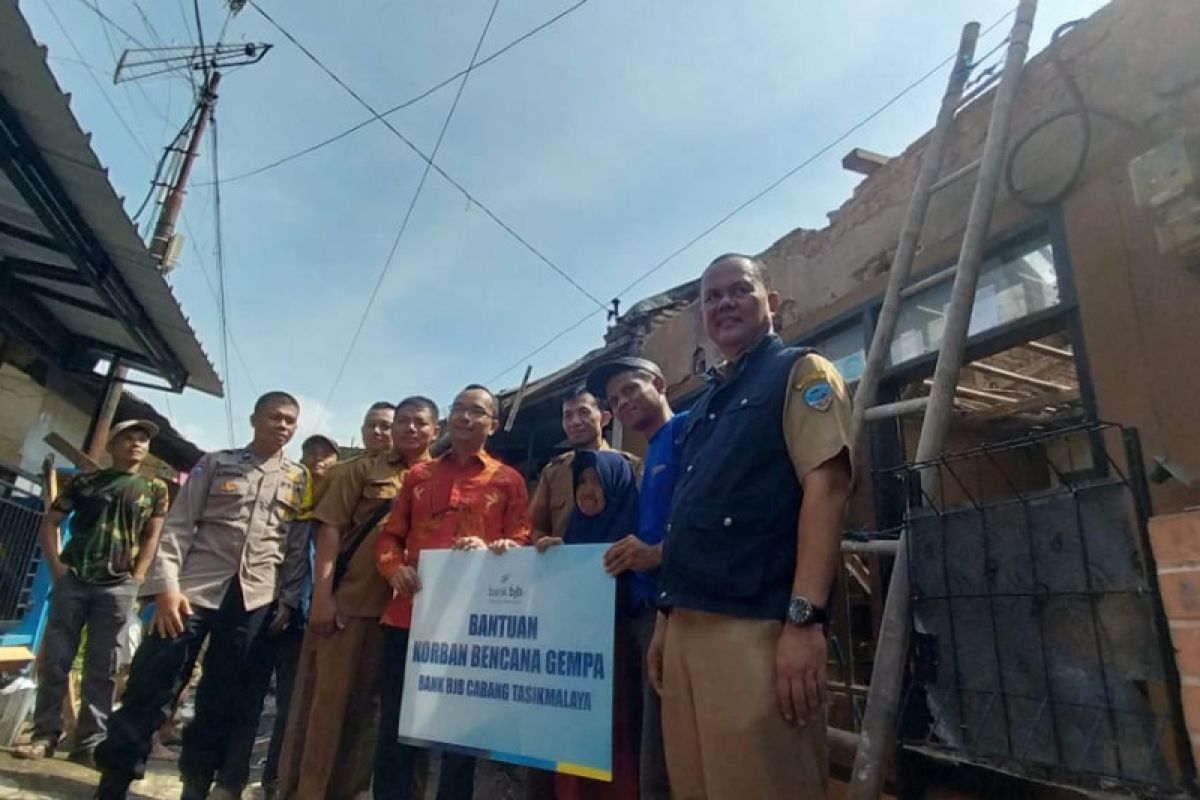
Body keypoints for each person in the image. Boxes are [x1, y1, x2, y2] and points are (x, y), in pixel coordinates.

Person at [647, 253, 854, 799]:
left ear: (772, 303)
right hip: (687, 628)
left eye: (738, 290)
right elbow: (690, 513)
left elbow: (826, 489)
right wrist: (667, 619)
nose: (724, 303)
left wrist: (805, 620)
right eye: (711, 297)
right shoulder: (707, 403)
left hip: (755, 630)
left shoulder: (801, 373)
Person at [93, 392, 309, 800]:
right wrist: (167, 588)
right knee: (151, 687)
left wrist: (288, 599)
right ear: (254, 418)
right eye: (275, 417)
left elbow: (295, 544)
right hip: (192, 592)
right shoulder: (216, 463)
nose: (282, 426)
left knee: (221, 698)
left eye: (290, 421)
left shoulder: (299, 479)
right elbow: (178, 525)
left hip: (254, 599)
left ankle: (196, 783)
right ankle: (114, 781)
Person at [374, 384, 530, 800]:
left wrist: (506, 550)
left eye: (476, 411)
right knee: (397, 726)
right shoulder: (419, 476)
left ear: (492, 425)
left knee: (460, 733)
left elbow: (521, 537)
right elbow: (389, 538)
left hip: (471, 626)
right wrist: (394, 569)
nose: (464, 417)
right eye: (458, 409)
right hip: (409, 616)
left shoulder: (509, 481)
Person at [279, 398, 439, 800]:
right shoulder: (357, 471)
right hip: (354, 607)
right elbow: (329, 532)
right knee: (327, 710)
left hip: (415, 616)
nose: (409, 430)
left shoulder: (441, 477)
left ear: (435, 430)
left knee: (381, 719)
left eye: (419, 423)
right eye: (402, 422)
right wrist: (322, 597)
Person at [15, 420, 168, 767]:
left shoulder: (153, 488)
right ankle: (45, 735)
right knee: (56, 660)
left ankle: (89, 743)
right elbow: (50, 521)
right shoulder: (85, 482)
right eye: (128, 438)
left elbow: (152, 536)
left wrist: (138, 577)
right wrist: (57, 567)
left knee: (105, 666)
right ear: (112, 445)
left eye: (142, 440)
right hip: (76, 579)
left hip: (117, 585)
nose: (136, 444)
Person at [219, 434, 341, 799]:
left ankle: (274, 780)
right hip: (266, 606)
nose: (318, 460)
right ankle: (230, 778)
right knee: (247, 697)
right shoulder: (288, 504)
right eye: (311, 454)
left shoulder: (340, 513)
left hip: (305, 620)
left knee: (292, 707)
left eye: (326, 455)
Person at [586, 356, 685, 800]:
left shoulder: (686, 433)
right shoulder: (649, 456)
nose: (622, 402)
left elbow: (701, 517)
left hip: (674, 610)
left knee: (664, 744)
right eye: (613, 398)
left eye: (630, 389)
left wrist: (658, 553)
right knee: (651, 732)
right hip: (644, 609)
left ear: (659, 384)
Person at [540, 450, 641, 800]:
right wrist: (553, 557)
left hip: (618, 647)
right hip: (574, 656)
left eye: (598, 482)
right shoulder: (574, 530)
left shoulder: (635, 536)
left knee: (615, 730)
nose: (588, 490)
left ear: (615, 487)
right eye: (582, 481)